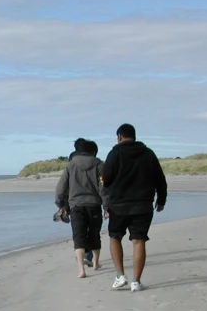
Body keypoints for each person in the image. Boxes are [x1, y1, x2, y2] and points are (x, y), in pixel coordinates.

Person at [100, 123, 167, 292]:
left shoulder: (115, 153)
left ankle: (120, 276)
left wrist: (105, 192)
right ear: (134, 136)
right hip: (143, 204)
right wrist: (161, 200)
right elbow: (160, 178)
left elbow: (105, 178)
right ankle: (136, 281)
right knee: (139, 240)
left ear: (120, 137)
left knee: (115, 237)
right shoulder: (148, 153)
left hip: (119, 204)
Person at [55, 140, 104, 278]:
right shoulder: (99, 164)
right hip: (94, 205)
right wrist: (107, 205)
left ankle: (81, 270)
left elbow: (61, 187)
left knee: (78, 236)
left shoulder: (70, 165)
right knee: (94, 234)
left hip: (76, 206)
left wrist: (60, 203)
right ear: (92, 151)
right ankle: (96, 263)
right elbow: (103, 187)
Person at [68, 138, 95, 267]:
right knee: (90, 230)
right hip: (92, 201)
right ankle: (87, 255)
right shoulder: (94, 160)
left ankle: (82, 255)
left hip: (74, 200)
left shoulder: (72, 160)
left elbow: (66, 183)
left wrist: (61, 203)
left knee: (79, 231)